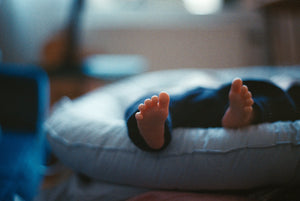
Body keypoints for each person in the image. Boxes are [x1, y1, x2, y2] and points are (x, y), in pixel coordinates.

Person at [125, 78, 300, 152]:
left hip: (211, 100)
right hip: (223, 103)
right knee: (155, 104)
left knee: (154, 101)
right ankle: (248, 115)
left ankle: (154, 129)